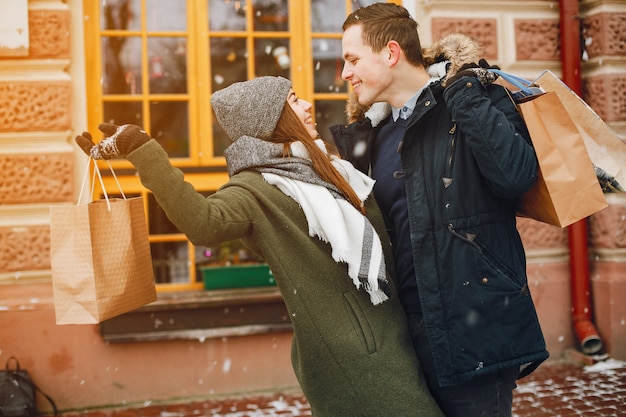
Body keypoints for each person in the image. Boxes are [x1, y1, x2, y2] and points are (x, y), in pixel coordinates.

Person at [75, 76, 444, 417]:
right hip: (352, 356)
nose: (307, 106)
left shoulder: (328, 168)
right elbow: (202, 222)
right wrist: (145, 151)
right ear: (270, 119)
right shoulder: (255, 190)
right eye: (294, 101)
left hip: (390, 336)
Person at [330, 3, 549, 417]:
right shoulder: (369, 136)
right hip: (405, 340)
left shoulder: (469, 99)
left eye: (353, 59)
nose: (345, 73)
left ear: (391, 53)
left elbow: (515, 176)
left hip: (475, 331)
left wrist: (467, 95)